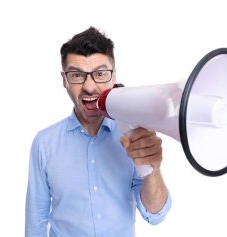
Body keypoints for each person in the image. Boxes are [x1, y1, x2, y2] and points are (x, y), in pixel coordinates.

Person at [25, 27, 171, 237]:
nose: (90, 87)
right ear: (64, 79)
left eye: (100, 74)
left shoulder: (133, 135)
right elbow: (36, 221)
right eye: (77, 75)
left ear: (114, 77)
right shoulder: (44, 143)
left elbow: (155, 213)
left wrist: (152, 168)